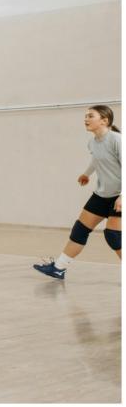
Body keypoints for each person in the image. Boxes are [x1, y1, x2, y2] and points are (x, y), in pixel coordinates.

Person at [34, 105, 121, 279]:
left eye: (90, 116)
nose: (86, 119)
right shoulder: (93, 141)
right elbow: (96, 160)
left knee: (113, 235)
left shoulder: (117, 139)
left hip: (120, 195)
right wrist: (86, 174)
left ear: (104, 120)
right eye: (85, 116)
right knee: (80, 230)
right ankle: (59, 268)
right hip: (102, 194)